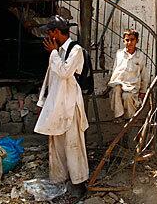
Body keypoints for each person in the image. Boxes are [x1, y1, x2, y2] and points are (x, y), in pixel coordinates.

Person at [35, 15, 89, 190]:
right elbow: (50, 79)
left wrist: (53, 53)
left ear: (56, 32)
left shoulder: (76, 50)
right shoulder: (57, 52)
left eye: (49, 33)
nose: (48, 37)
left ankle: (79, 183)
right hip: (56, 105)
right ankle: (60, 180)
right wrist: (42, 102)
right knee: (56, 144)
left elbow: (65, 72)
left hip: (70, 105)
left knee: (73, 145)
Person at [108, 29, 149, 121]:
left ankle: (130, 118)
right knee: (116, 89)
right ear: (123, 40)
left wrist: (143, 91)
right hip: (119, 83)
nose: (129, 42)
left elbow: (144, 75)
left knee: (127, 96)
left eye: (132, 40)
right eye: (127, 40)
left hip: (132, 87)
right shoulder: (119, 54)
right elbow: (115, 69)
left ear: (137, 41)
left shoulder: (140, 56)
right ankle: (119, 116)